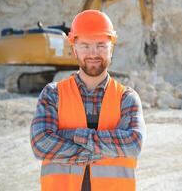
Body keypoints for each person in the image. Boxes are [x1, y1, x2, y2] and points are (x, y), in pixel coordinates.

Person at [30, 10, 146, 191]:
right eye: (85, 45)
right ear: (74, 48)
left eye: (101, 45)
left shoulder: (126, 98)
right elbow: (41, 143)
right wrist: (101, 150)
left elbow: (133, 143)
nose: (93, 53)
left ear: (111, 48)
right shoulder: (53, 94)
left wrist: (72, 135)